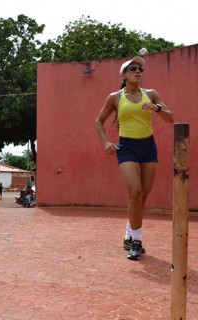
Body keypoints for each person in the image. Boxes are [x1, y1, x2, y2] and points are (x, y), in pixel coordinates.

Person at [95, 56, 174, 260]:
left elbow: (170, 118)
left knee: (142, 198)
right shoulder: (115, 97)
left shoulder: (151, 94)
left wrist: (157, 109)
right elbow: (99, 122)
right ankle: (137, 242)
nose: (138, 71)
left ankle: (128, 235)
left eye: (140, 69)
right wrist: (106, 142)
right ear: (124, 75)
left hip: (148, 147)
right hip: (127, 147)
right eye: (132, 68)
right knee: (136, 193)